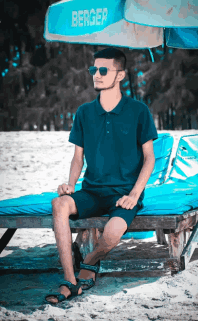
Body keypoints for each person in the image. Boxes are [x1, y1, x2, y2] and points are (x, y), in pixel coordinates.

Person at [45, 47, 158, 304]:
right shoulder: (84, 112)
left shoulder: (139, 111)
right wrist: (71, 184)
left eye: (103, 70)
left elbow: (149, 158)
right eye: (93, 69)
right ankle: (70, 281)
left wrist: (134, 194)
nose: (96, 74)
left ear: (120, 75)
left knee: (113, 231)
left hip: (124, 193)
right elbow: (78, 157)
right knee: (58, 204)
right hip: (92, 191)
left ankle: (89, 261)